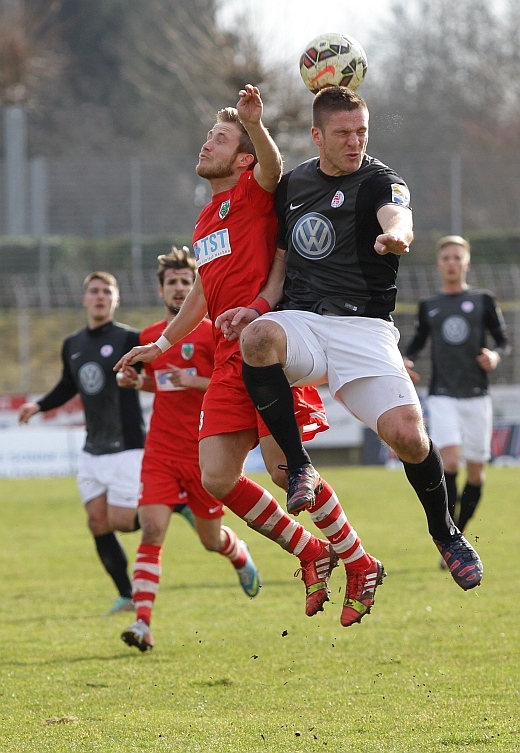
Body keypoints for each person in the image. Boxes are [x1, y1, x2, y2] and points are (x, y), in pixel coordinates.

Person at [115, 84, 383, 629]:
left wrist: (255, 125)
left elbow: (273, 166)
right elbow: (201, 293)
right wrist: (160, 345)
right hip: (225, 358)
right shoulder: (205, 219)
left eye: (219, 138)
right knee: (216, 477)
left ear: (242, 159)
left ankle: (359, 561)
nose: (206, 144)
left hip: (266, 351)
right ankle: (311, 550)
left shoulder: (254, 191)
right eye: (209, 136)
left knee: (286, 472)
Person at [218, 86, 483, 592]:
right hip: (304, 321)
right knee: (257, 338)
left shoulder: (381, 180)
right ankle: (300, 466)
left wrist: (398, 235)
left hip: (364, 329)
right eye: (343, 133)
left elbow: (398, 214)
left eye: (362, 131)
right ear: (317, 136)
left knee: (410, 438)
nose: (355, 141)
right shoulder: (294, 184)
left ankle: (446, 534)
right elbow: (281, 264)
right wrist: (257, 307)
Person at [118, 247, 261, 652]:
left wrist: (193, 381)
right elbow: (164, 384)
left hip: (204, 454)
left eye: (186, 282)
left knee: (210, 541)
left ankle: (238, 553)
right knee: (151, 530)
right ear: (161, 290)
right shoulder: (149, 337)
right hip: (160, 451)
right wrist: (138, 383)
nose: (179, 289)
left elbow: (231, 383)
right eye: (172, 283)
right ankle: (142, 623)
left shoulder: (215, 331)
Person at [18, 272, 145, 614]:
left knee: (122, 521)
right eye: (94, 291)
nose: (100, 296)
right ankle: (127, 595)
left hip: (128, 445)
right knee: (97, 522)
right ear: (85, 299)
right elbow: (67, 385)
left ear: (116, 300)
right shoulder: (72, 344)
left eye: (107, 291)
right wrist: (39, 405)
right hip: (93, 448)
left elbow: (153, 377)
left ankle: (174, 505)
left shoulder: (130, 339)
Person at [403, 235, 509, 539]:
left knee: (476, 474)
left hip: (477, 396)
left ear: (467, 263)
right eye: (446, 258)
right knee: (449, 462)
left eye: (457, 257)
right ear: (439, 264)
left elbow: (503, 342)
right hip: (442, 395)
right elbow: (418, 341)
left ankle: (459, 532)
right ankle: (450, 538)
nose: (452, 263)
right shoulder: (429, 305)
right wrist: (406, 360)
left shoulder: (483, 300)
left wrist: (494, 355)